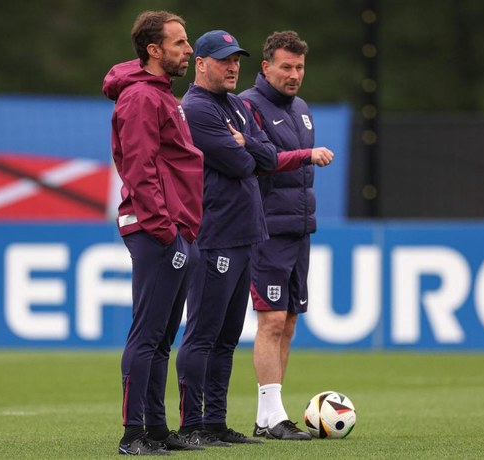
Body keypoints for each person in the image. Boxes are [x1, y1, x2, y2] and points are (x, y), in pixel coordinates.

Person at [175, 29, 332, 448]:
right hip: (220, 232)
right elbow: (246, 163)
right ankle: (193, 424)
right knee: (209, 333)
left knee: (231, 336)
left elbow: (263, 154)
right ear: (201, 64)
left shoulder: (238, 107)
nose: (232, 67)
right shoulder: (205, 108)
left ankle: (216, 422)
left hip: (253, 230)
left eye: (235, 60)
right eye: (223, 60)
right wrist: (254, 152)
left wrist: (254, 149)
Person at [102, 10, 204, 456]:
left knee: (162, 337)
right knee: (147, 334)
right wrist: (165, 231)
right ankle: (132, 434)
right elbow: (138, 169)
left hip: (174, 229)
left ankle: (157, 430)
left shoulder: (161, 95)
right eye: (180, 42)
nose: (189, 50)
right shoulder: (142, 98)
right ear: (154, 50)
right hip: (156, 230)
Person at [239, 30, 334, 440]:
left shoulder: (302, 108)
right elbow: (261, 159)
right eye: (286, 67)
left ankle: (268, 418)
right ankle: (273, 417)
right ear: (266, 67)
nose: (294, 74)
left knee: (289, 322)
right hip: (267, 230)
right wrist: (306, 155)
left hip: (299, 229)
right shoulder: (248, 105)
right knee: (272, 320)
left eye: (299, 67)